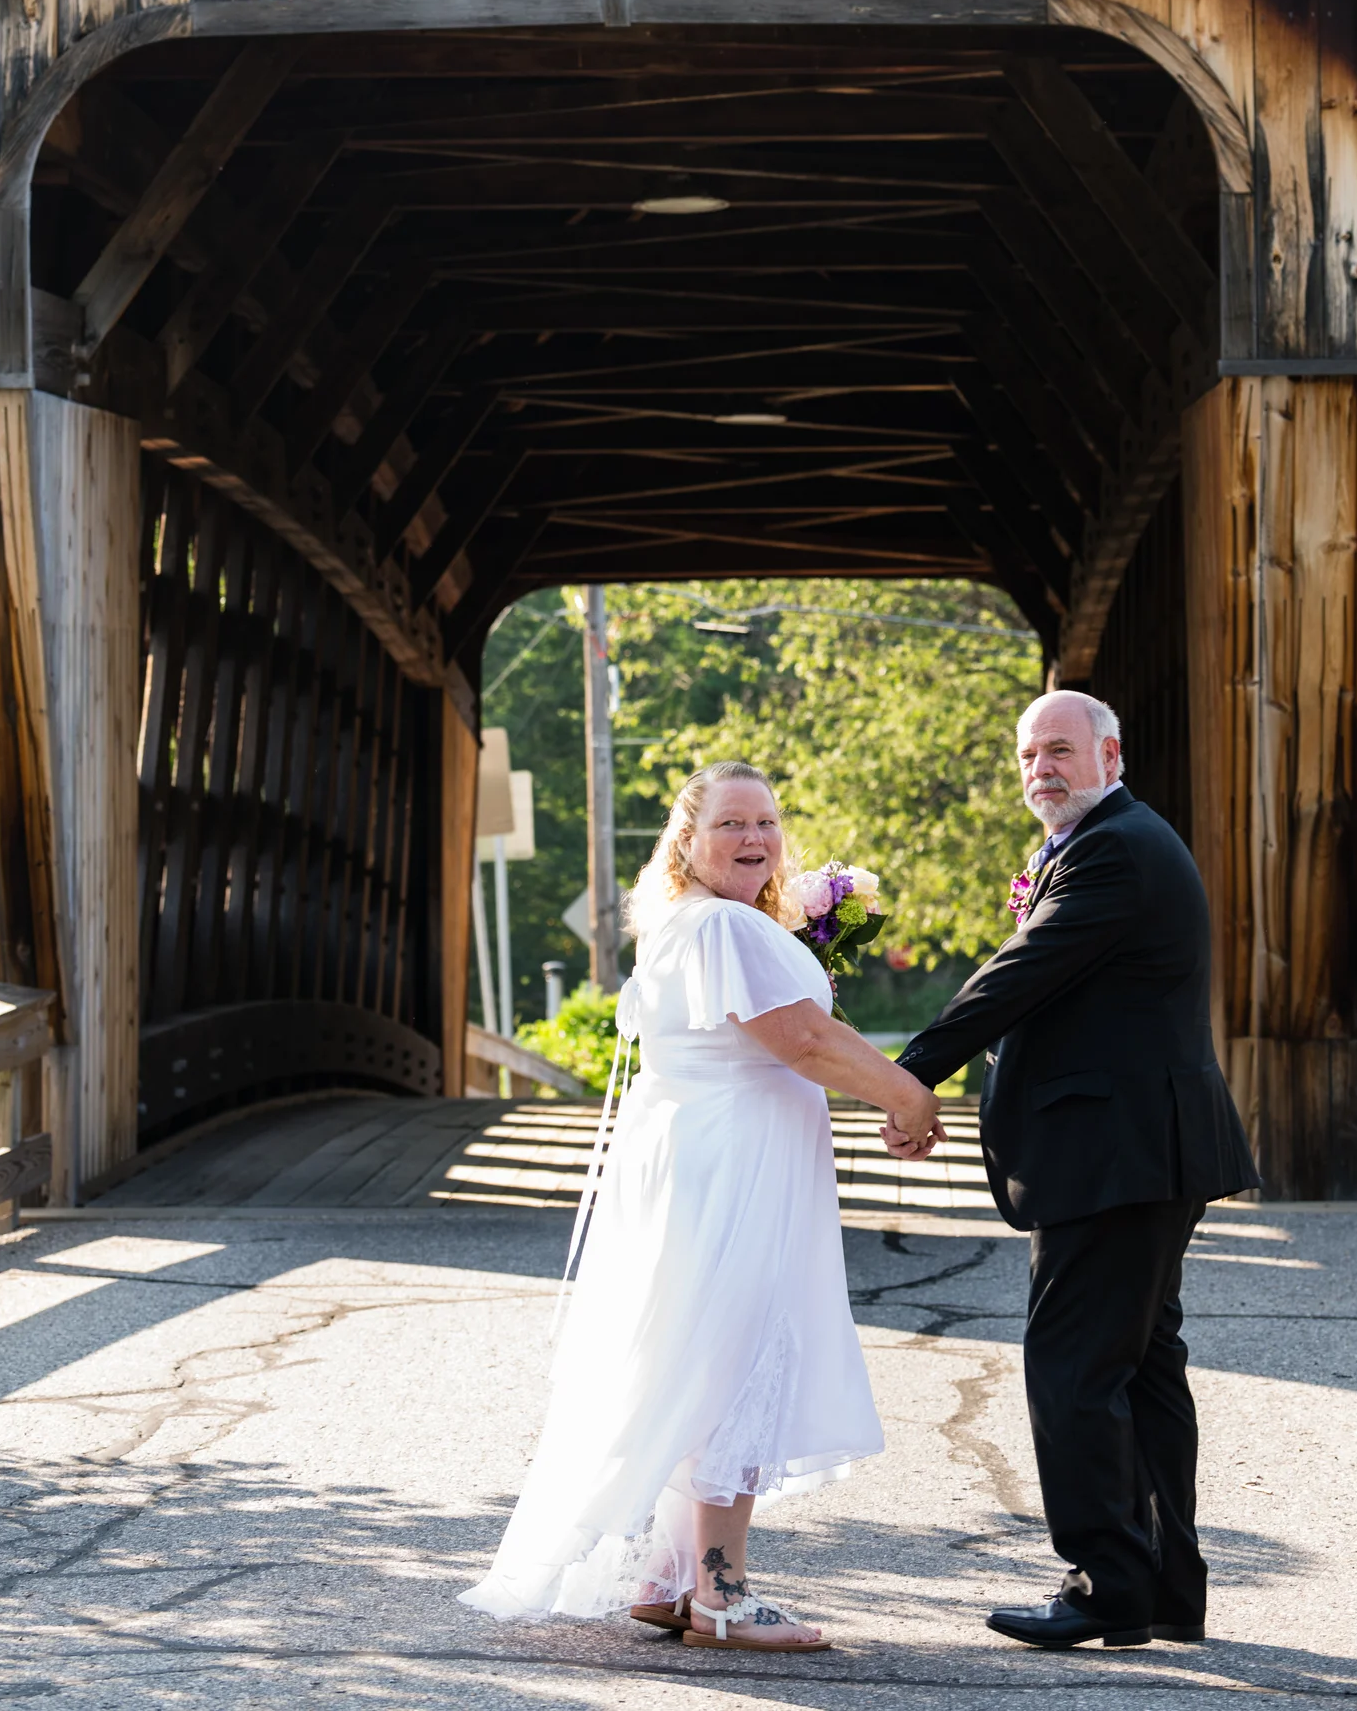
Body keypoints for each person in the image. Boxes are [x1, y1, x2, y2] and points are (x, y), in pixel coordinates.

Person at [460, 760, 942, 1651]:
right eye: (729, 824)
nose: (754, 838)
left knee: (700, 1354)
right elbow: (801, 1039)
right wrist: (907, 1098)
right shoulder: (722, 925)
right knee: (739, 1358)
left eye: (765, 821)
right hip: (738, 1168)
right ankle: (721, 1597)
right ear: (686, 841)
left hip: (705, 1160)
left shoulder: (691, 923)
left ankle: (667, 1576)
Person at [887, 691, 1258, 1651]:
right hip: (1136, 1149)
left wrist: (904, 1075)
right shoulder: (1104, 841)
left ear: (1110, 754)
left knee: (1074, 1368)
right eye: (1025, 755)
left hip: (1116, 1155)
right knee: (1139, 1370)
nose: (1039, 768)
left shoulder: (1113, 848)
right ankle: (1165, 1587)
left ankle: (1107, 1584)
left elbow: (1022, 972)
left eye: (1059, 750)